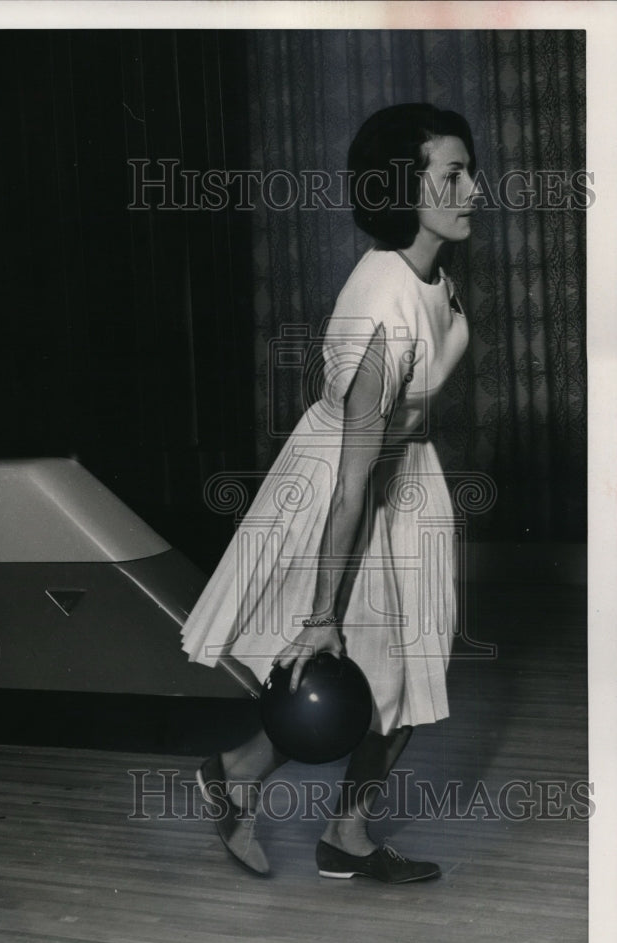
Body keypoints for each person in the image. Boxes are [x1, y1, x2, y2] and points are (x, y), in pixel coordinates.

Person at [181, 103, 477, 883]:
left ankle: (335, 828)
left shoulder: (431, 279)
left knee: (410, 672)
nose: (473, 188)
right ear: (402, 188)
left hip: (405, 477)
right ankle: (240, 775)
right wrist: (321, 615)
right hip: (343, 485)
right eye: (452, 174)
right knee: (345, 659)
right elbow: (349, 483)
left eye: (468, 170)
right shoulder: (380, 309)